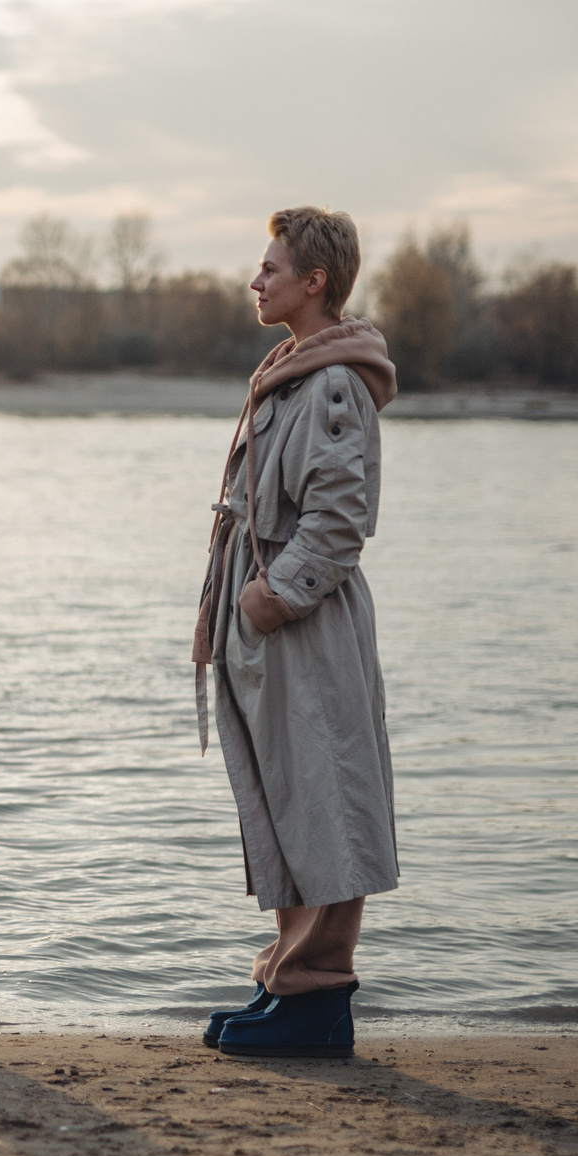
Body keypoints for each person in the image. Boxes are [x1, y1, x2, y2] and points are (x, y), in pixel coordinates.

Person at [193, 206, 400, 1060]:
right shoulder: (290, 373)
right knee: (284, 799)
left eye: (271, 268)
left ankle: (318, 996)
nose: (256, 280)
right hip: (269, 626)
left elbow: (341, 519)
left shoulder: (332, 384)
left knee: (325, 794)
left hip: (304, 627)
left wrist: (271, 598)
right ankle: (287, 978)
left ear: (314, 282)